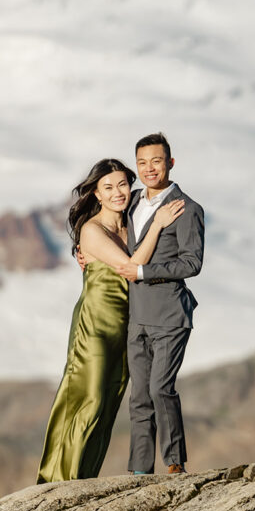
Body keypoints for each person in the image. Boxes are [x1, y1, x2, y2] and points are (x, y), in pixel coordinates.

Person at [36, 157, 184, 483]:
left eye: (121, 185)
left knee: (107, 408)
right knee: (87, 399)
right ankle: (58, 481)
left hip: (129, 326)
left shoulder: (132, 225)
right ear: (97, 195)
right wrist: (157, 225)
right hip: (96, 326)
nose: (117, 192)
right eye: (108, 187)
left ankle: (82, 479)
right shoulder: (92, 230)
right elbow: (131, 268)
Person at [124, 132, 205, 476]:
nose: (149, 168)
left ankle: (174, 463)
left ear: (170, 163)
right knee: (139, 397)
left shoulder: (188, 209)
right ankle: (140, 471)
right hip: (137, 317)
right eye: (142, 162)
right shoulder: (129, 203)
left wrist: (144, 271)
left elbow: (192, 263)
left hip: (171, 315)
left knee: (161, 389)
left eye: (156, 161)